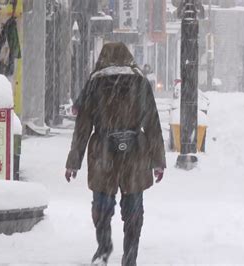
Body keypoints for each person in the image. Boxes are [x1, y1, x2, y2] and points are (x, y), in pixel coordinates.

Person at [65, 42, 166, 266]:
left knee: (101, 206)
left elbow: (82, 127)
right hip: (135, 153)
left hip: (103, 151)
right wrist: (158, 161)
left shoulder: (95, 83)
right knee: (133, 210)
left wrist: (74, 161)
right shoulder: (139, 81)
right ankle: (130, 256)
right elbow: (152, 123)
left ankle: (103, 247)